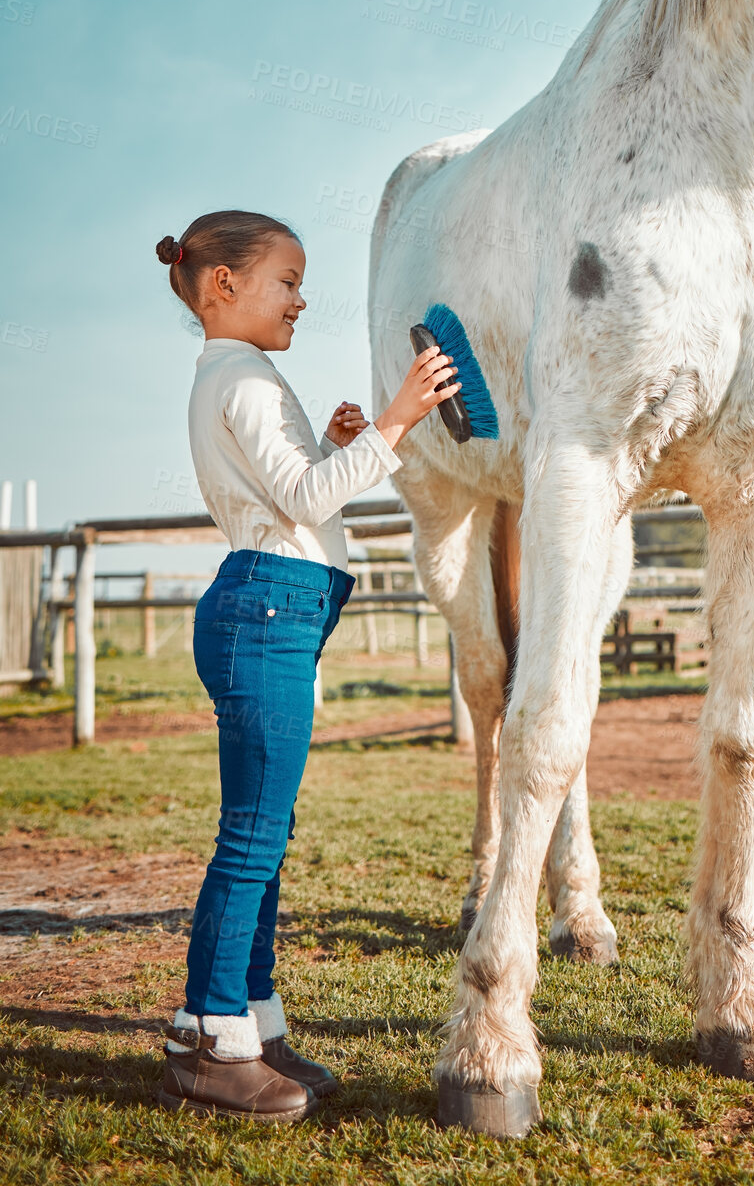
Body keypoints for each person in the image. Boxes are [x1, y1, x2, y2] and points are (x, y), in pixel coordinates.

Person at [153, 209, 458, 1121]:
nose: (301, 296)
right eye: (286, 280)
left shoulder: (243, 377)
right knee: (251, 836)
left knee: (266, 834)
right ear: (225, 286)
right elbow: (301, 499)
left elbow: (292, 497)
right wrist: (395, 423)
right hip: (268, 611)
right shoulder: (244, 378)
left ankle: (252, 1025)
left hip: (275, 605)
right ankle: (206, 1037)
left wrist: (334, 446)